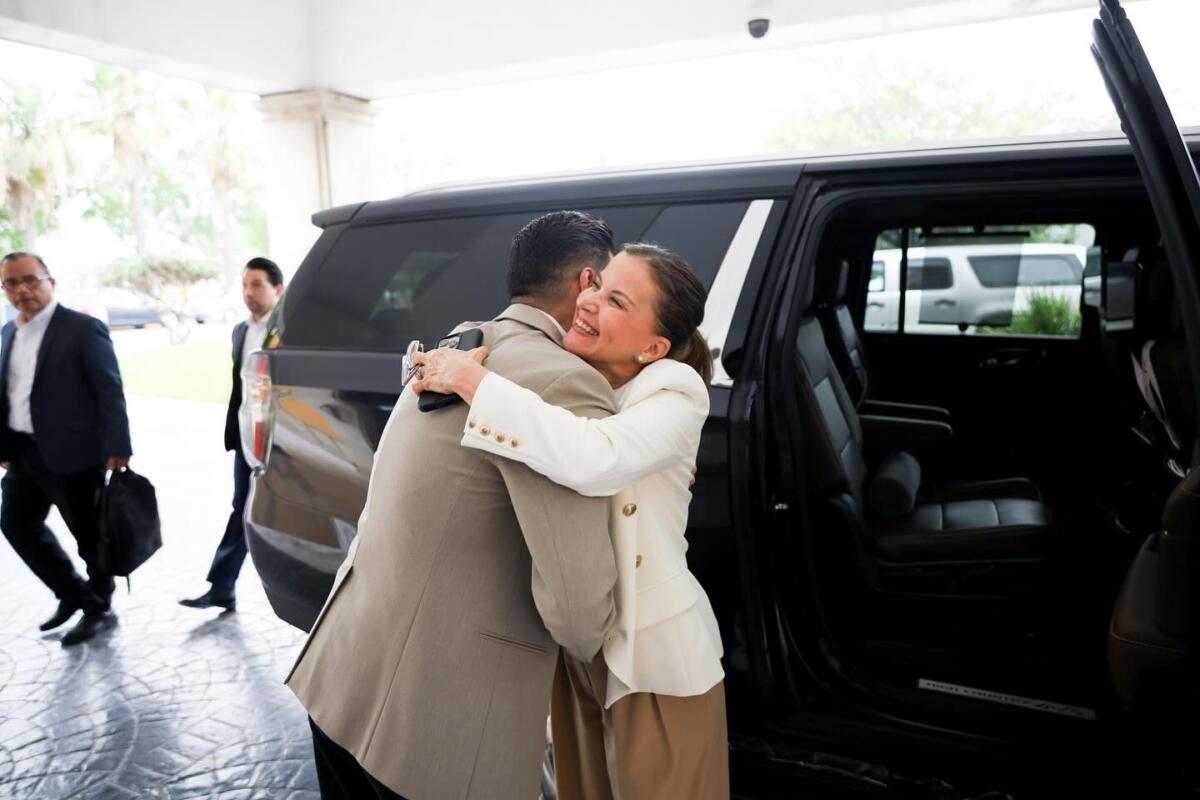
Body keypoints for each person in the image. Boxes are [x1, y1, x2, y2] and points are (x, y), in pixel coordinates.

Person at [285, 211, 621, 799]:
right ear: (587, 282)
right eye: (611, 289)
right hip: (436, 729)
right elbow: (577, 612)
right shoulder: (566, 383)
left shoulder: (457, 344)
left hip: (342, 675)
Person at [412, 243, 728, 798]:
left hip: (655, 665)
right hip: (579, 651)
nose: (588, 301)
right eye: (598, 285)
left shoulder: (677, 392)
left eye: (617, 301)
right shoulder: (569, 375)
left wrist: (472, 381)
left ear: (654, 347)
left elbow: (595, 458)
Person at [0, 251, 132, 646]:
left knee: (89, 537)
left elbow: (109, 389)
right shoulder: (7, 332)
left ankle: (100, 608)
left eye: (30, 279)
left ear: (50, 282)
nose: (22, 289)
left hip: (75, 452)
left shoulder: (82, 328)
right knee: (16, 525)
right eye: (11, 283)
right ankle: (73, 593)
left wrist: (119, 446)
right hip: (22, 451)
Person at [180, 257, 283, 612]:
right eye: (244, 285)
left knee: (272, 510)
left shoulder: (289, 330)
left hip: (281, 438)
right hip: (246, 436)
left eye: (257, 285)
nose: (248, 292)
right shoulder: (240, 331)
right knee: (242, 505)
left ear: (277, 289)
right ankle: (222, 585)